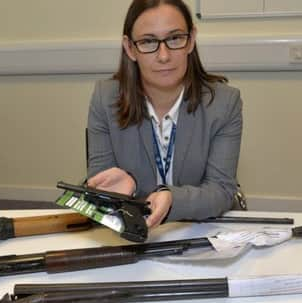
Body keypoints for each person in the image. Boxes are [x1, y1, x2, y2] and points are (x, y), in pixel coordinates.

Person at [87, 0, 242, 229]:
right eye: (148, 41)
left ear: (191, 40)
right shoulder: (105, 98)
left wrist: (171, 199)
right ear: (130, 48)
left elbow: (221, 191)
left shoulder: (224, 103)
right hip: (135, 231)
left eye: (175, 38)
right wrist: (121, 191)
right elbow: (101, 188)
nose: (163, 56)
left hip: (200, 229)